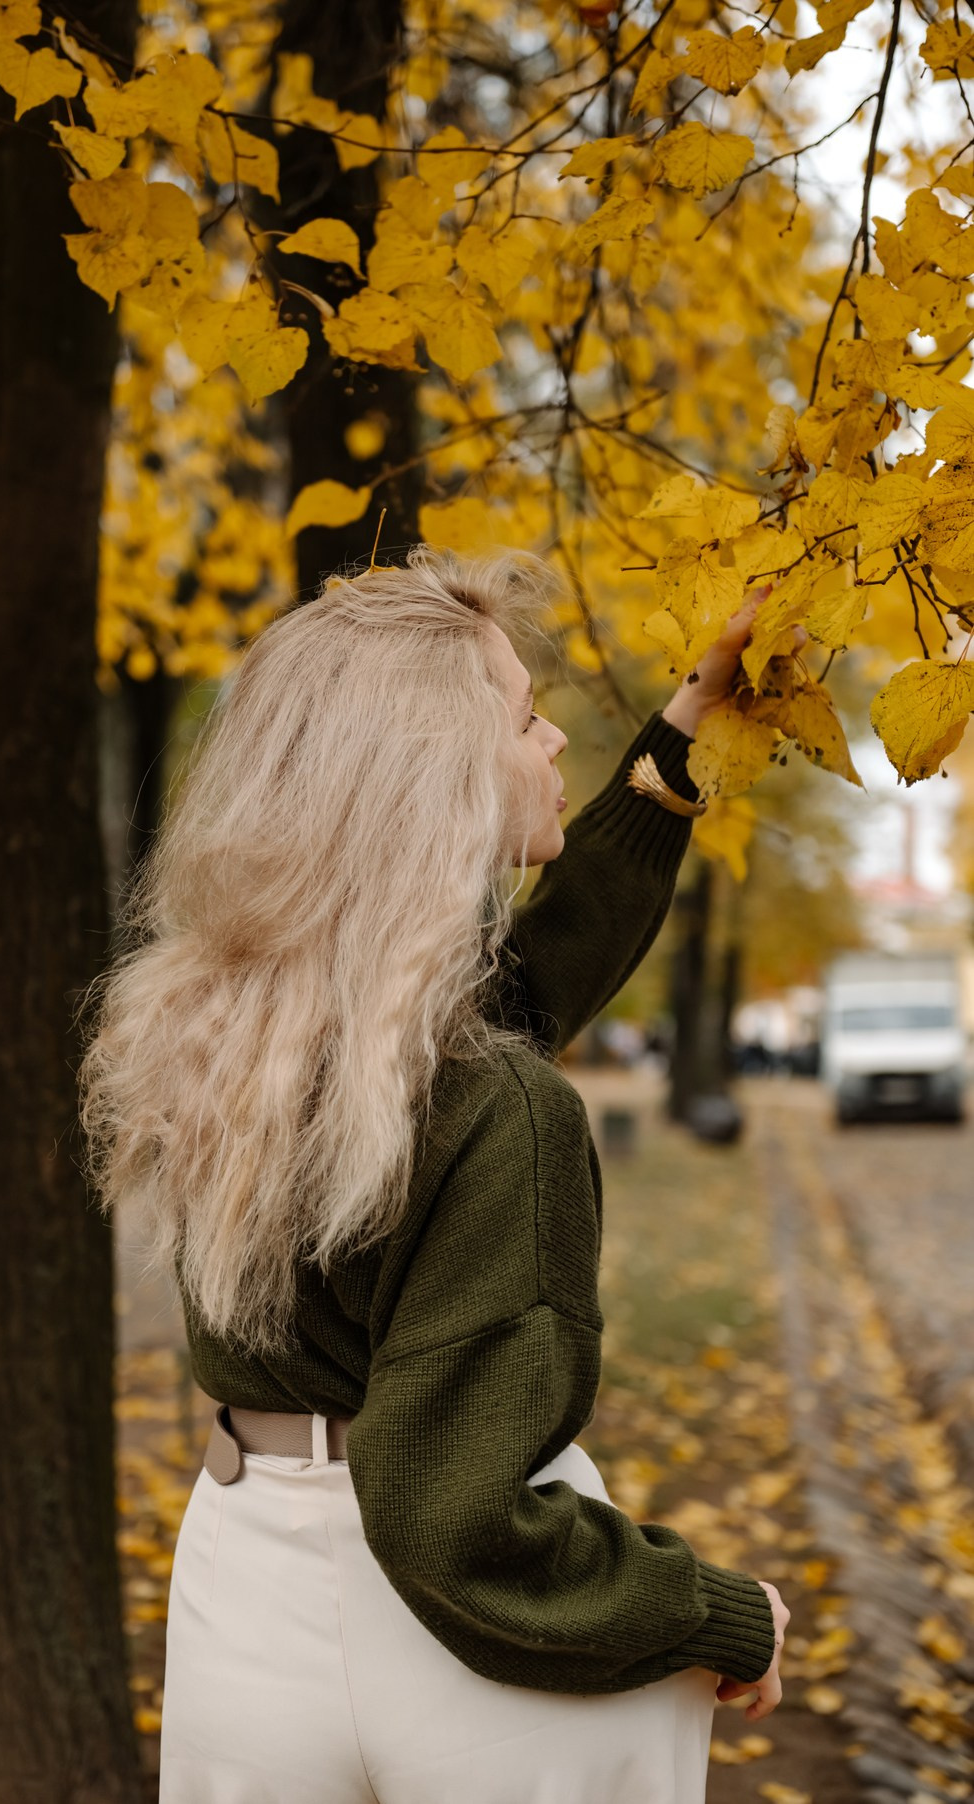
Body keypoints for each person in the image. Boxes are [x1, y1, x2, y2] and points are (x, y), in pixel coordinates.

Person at [78, 546, 790, 1803]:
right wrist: (727, 1614)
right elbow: (450, 1521)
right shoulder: (498, 1106)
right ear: (440, 780)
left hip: (245, 1587)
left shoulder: (239, 1045)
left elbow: (523, 986)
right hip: (479, 1651)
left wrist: (682, 729)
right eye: (523, 717)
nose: (554, 740)